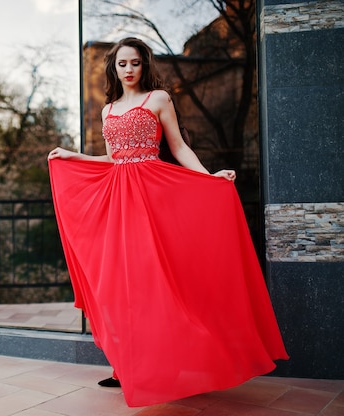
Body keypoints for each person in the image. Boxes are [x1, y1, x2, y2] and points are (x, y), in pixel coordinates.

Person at [47, 37, 288, 407]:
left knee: (160, 280)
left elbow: (177, 147)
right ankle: (128, 367)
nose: (128, 70)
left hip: (154, 196)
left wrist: (209, 179)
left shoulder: (158, 99)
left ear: (144, 66)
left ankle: (188, 360)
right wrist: (73, 155)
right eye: (122, 64)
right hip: (119, 201)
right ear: (113, 67)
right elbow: (114, 159)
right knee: (124, 285)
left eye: (135, 63)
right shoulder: (107, 109)